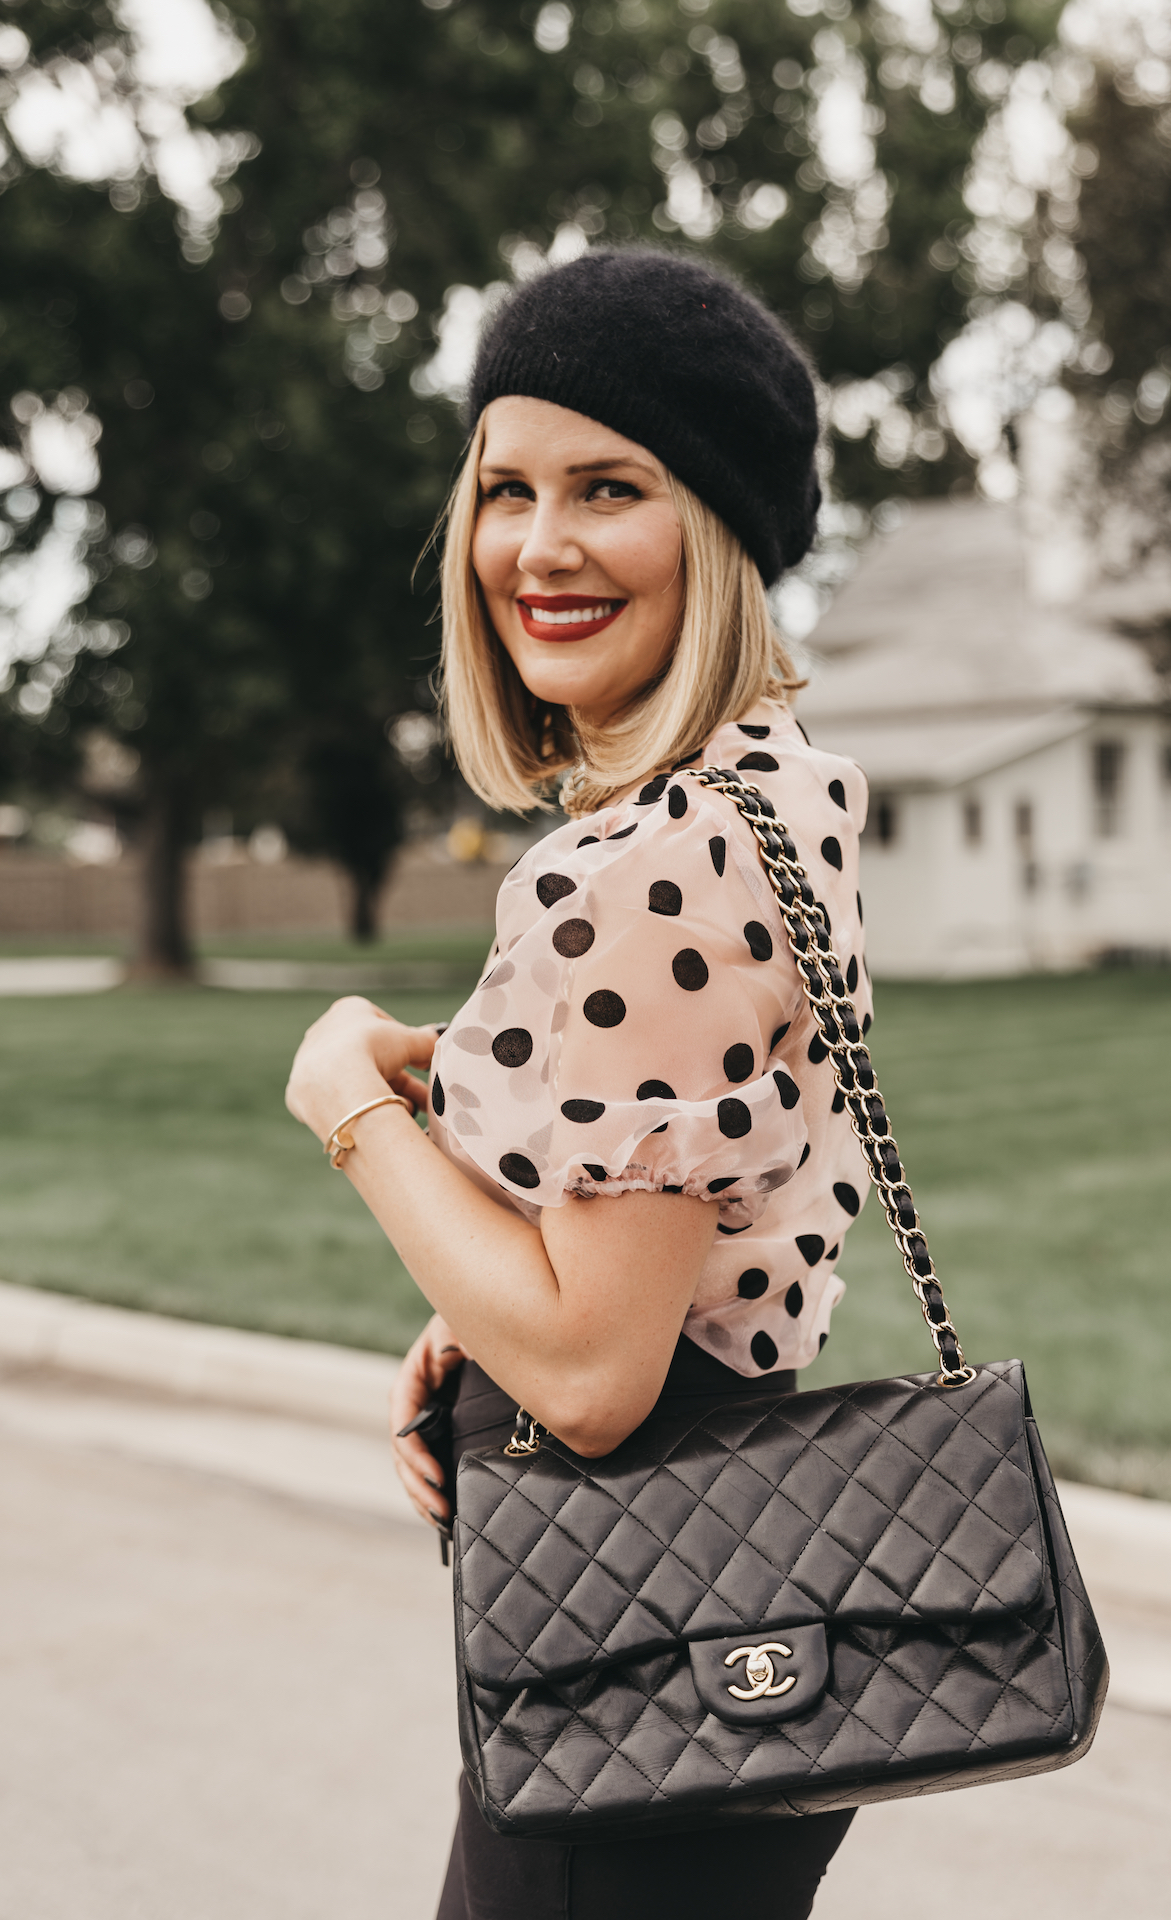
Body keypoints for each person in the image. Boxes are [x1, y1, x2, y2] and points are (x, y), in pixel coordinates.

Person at [285, 248, 873, 1920]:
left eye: (609, 487)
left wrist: (353, 1103)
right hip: (733, 1574)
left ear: (719, 526)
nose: (538, 547)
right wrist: (496, 1294)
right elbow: (672, 1209)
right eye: (505, 488)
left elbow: (603, 1376)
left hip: (621, 1602)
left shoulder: (635, 866)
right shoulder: (781, 794)